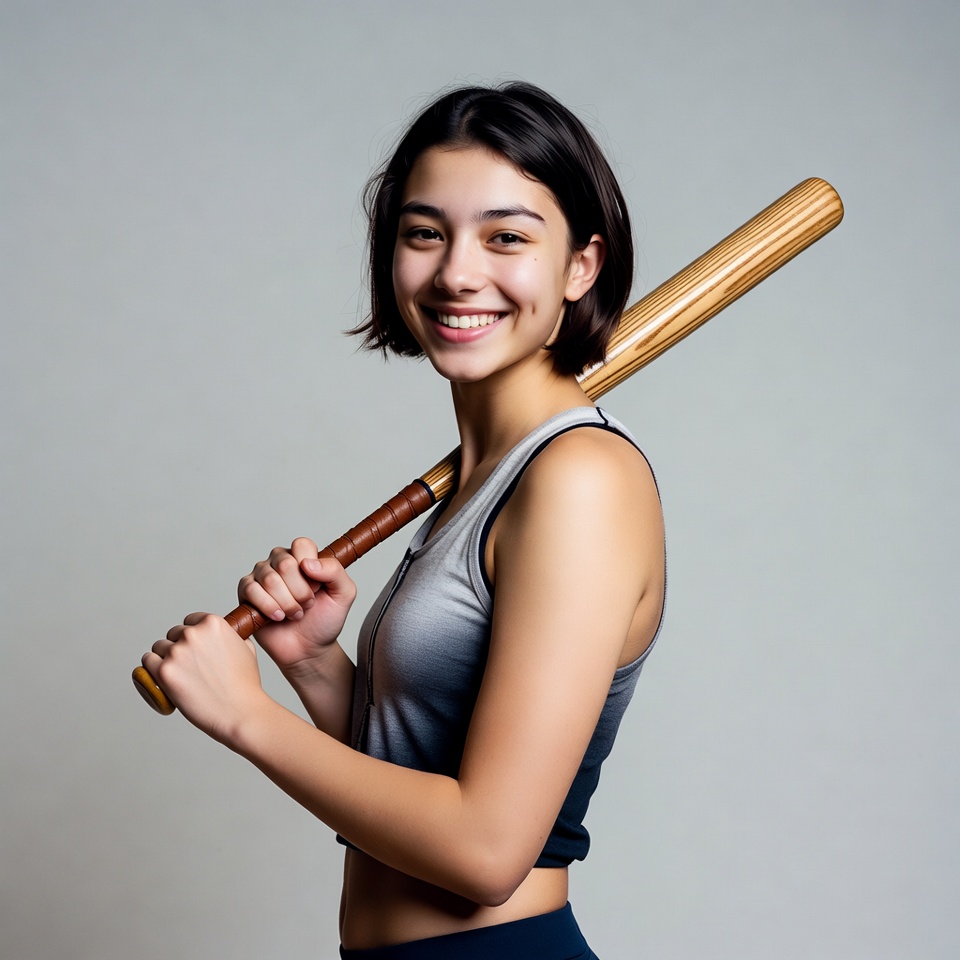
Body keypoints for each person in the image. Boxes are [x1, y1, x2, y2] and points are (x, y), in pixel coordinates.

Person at [142, 81, 666, 959]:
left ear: (582, 266)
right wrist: (314, 668)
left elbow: (487, 850)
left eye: (507, 236)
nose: (459, 271)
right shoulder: (484, 482)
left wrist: (247, 719)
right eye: (426, 233)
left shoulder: (580, 478)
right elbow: (426, 781)